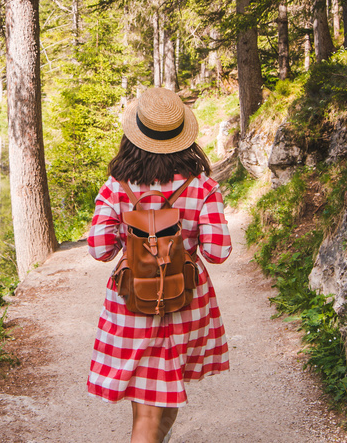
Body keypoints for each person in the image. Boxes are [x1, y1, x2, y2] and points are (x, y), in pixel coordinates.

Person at [87, 87, 231, 443]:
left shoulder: (117, 186)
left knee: (153, 401)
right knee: (156, 407)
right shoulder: (202, 186)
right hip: (185, 302)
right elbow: (217, 251)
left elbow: (100, 248)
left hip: (131, 303)